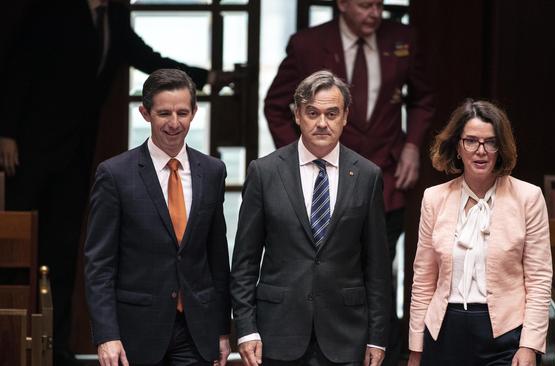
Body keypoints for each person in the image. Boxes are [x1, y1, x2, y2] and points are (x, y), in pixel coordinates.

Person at [0, 1, 217, 363]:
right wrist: (5, 132)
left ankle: (58, 347)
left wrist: (204, 77)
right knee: (16, 250)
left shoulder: (113, 16)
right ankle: (10, 346)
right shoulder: (52, 10)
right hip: (29, 148)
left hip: (75, 152)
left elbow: (147, 58)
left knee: (65, 249)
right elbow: (19, 67)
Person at [264, 2, 434, 362]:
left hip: (384, 178)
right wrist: (295, 160)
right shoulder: (307, 44)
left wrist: (412, 147)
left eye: (379, 3)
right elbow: (276, 105)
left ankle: (378, 351)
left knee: (377, 268)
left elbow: (422, 98)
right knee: (323, 265)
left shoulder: (403, 39)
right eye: (364, 4)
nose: (374, 12)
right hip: (319, 180)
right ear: (342, 3)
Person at [231, 70, 392, 366]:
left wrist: (377, 335)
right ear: (297, 115)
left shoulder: (368, 176)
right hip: (277, 332)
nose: (322, 123)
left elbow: (378, 267)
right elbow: (244, 262)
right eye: (312, 113)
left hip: (347, 335)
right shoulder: (264, 173)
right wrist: (245, 329)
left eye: (332, 114)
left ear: (345, 117)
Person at [84, 69, 231, 366]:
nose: (174, 123)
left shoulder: (213, 171)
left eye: (182, 112)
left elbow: (217, 257)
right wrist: (105, 334)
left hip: (196, 331)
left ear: (194, 112)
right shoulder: (114, 174)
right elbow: (99, 264)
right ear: (145, 113)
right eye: (164, 113)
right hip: (134, 333)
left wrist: (221, 329)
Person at [408, 99, 552, 366]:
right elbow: (423, 280)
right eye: (471, 141)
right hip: (444, 333)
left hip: (505, 335)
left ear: (501, 148)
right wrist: (416, 349)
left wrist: (530, 345)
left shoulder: (529, 198)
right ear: (457, 147)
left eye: (491, 142)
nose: (481, 150)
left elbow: (539, 280)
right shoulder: (434, 198)